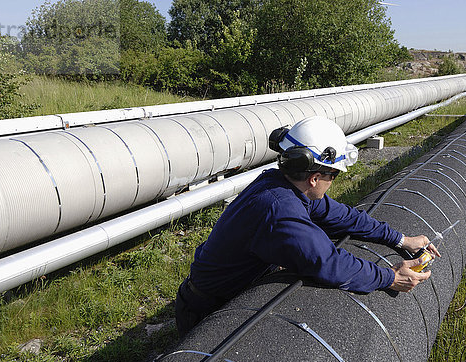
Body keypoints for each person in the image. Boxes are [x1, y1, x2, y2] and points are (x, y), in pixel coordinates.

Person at [175, 116, 440, 337]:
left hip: (228, 290)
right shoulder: (279, 210)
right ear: (315, 178)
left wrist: (400, 240)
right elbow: (328, 262)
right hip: (206, 311)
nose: (332, 182)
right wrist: (392, 277)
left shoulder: (284, 184)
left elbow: (345, 216)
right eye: (334, 175)